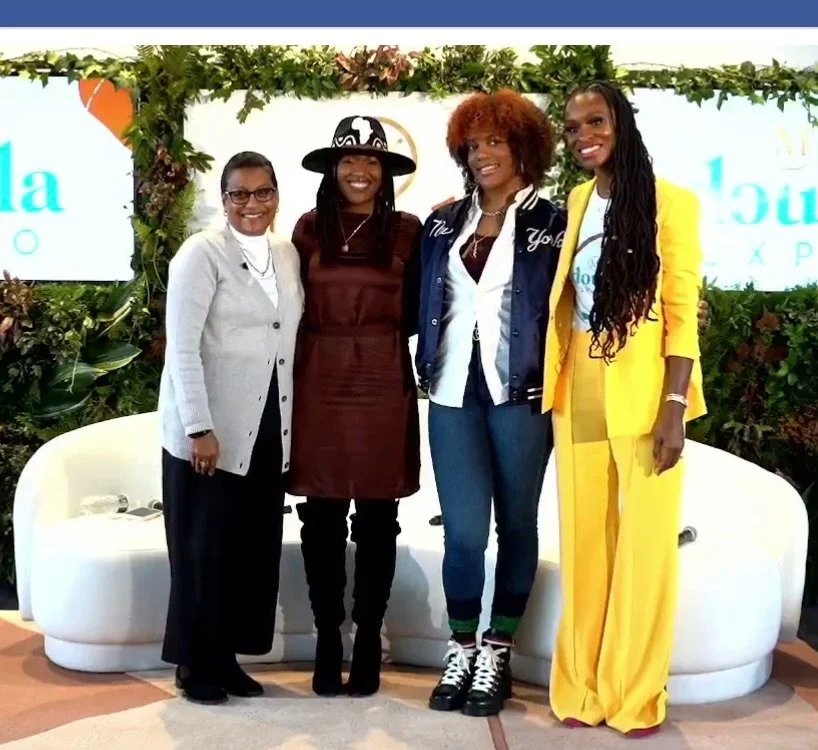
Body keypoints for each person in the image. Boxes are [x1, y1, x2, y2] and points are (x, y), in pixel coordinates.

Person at [541, 80, 707, 738]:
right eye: (574, 125)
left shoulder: (674, 203)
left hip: (644, 384)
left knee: (643, 546)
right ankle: (581, 686)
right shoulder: (578, 201)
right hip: (580, 374)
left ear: (622, 122)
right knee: (584, 542)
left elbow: (681, 309)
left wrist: (674, 403)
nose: (584, 134)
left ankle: (635, 693)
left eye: (596, 120)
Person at [414, 89, 566, 717]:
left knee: (519, 526)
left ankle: (497, 650)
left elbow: (589, 295)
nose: (481, 155)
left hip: (522, 392)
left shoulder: (554, 223)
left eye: (495, 142)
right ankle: (461, 647)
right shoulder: (444, 221)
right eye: (472, 145)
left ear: (524, 146)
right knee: (465, 532)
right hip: (452, 391)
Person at [158, 151, 304, 704]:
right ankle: (195, 665)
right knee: (203, 550)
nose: (252, 204)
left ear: (276, 196)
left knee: (247, 548)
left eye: (262, 192)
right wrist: (199, 426)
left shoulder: (286, 254)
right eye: (239, 194)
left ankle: (227, 658)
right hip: (210, 431)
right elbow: (183, 348)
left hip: (266, 423)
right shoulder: (200, 255)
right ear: (223, 201)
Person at [288, 116, 422, 698]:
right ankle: (327, 637)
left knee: (376, 518)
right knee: (320, 517)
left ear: (386, 171)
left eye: (372, 161)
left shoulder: (410, 231)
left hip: (383, 375)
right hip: (318, 377)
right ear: (332, 168)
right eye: (349, 160)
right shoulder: (308, 229)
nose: (360, 171)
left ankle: (368, 637)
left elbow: (421, 309)